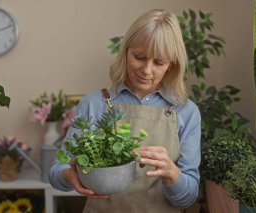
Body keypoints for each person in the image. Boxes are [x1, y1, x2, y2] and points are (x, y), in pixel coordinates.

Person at [49, 8, 201, 212]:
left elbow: (187, 198)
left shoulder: (186, 112)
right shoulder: (95, 102)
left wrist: (172, 173)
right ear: (126, 51)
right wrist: (68, 175)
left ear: (171, 66)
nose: (146, 70)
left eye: (158, 62)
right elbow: (58, 170)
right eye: (139, 56)